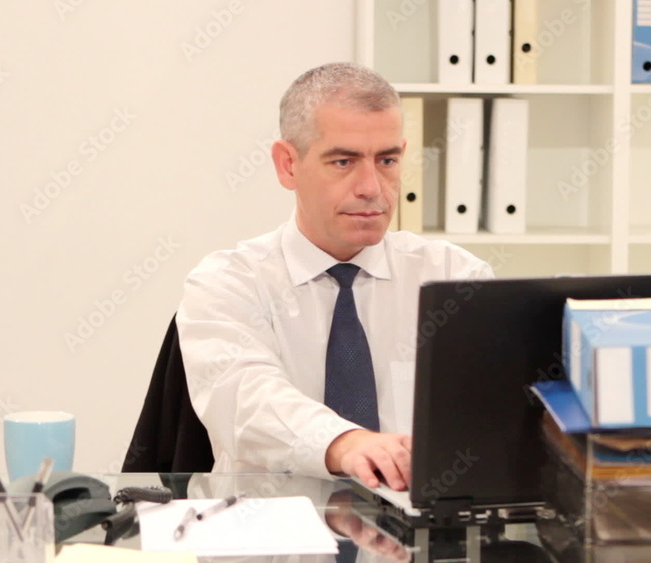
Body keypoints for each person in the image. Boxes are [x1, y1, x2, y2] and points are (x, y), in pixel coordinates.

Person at [177, 62, 493, 491]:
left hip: (414, 523)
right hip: (270, 524)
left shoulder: (456, 279)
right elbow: (247, 399)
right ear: (288, 164)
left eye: (387, 160)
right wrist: (347, 444)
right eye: (343, 161)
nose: (371, 187)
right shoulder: (227, 283)